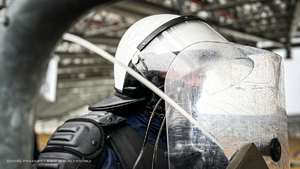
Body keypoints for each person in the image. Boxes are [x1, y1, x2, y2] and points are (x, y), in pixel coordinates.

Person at [34, 13, 288, 169]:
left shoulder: (201, 144)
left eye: (202, 69)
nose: (197, 79)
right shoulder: (87, 142)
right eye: (187, 66)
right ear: (144, 73)